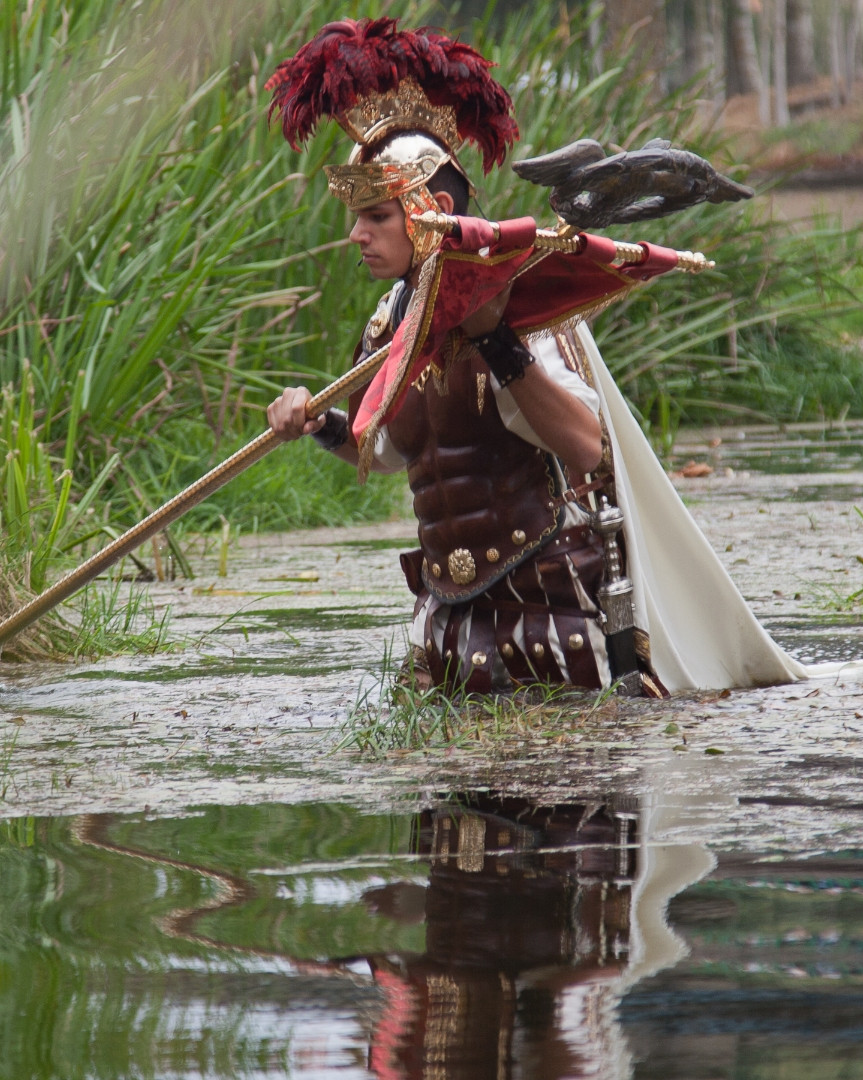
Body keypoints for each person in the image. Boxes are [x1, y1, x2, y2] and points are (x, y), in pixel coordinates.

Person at [260, 18, 810, 695]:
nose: (356, 235)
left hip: (545, 609)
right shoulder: (389, 325)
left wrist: (496, 336)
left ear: (430, 210)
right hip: (446, 618)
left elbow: (587, 448)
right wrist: (316, 423)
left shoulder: (523, 310)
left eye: (376, 216)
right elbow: (388, 454)